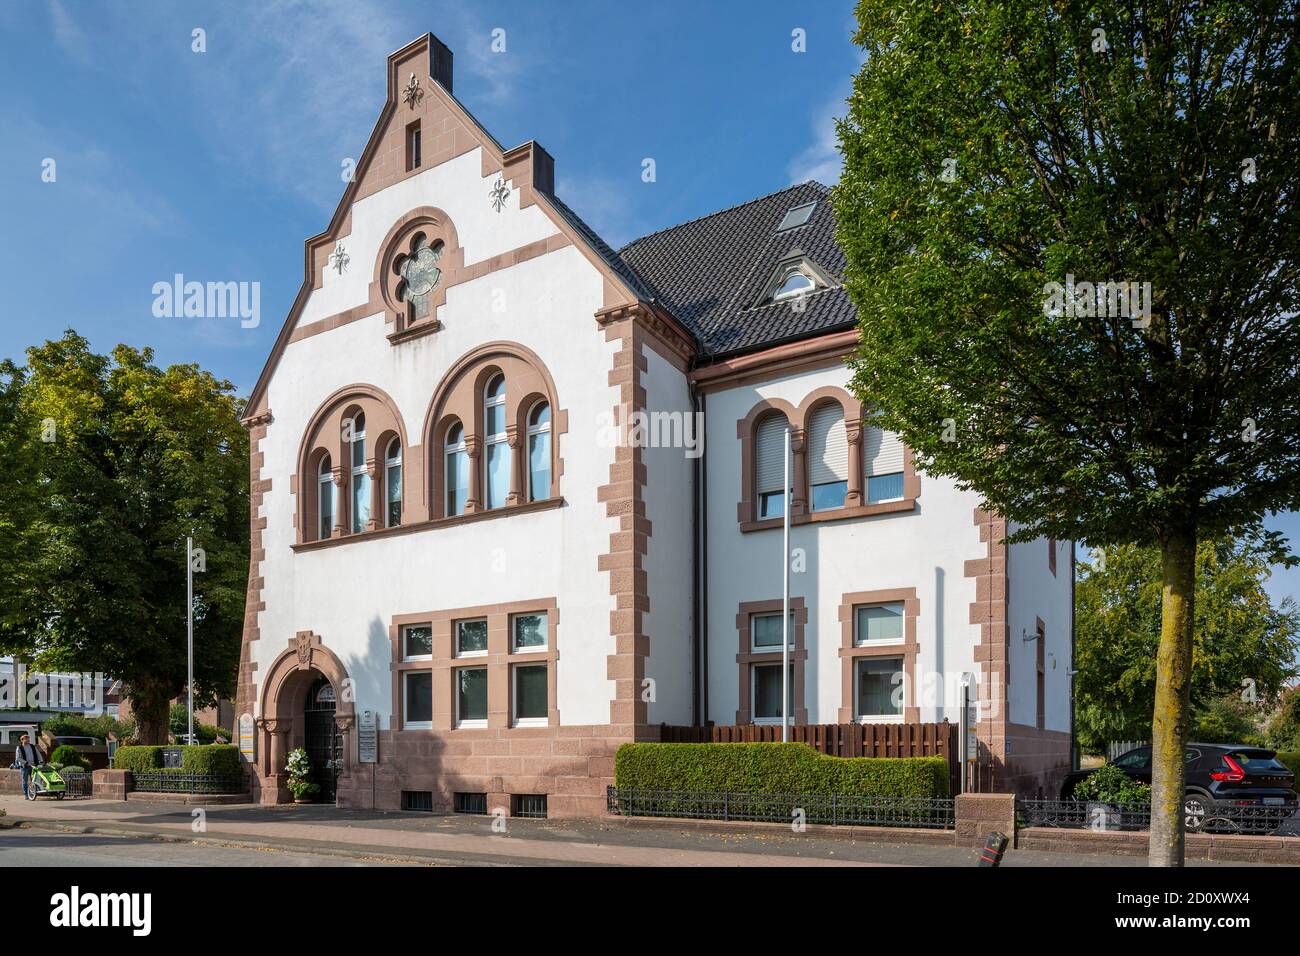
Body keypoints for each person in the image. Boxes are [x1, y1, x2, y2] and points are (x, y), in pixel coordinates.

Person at [14, 733, 45, 799]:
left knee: (34, 781)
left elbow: (38, 754)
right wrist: (25, 762)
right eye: (26, 739)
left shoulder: (32, 746)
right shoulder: (19, 748)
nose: (28, 740)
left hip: (33, 766)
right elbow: (18, 758)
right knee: (25, 781)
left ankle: (32, 793)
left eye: (28, 739)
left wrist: (41, 761)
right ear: (22, 740)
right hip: (25, 767)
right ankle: (26, 794)